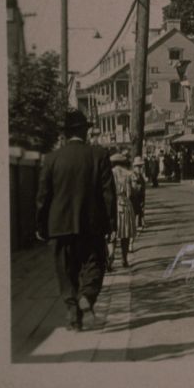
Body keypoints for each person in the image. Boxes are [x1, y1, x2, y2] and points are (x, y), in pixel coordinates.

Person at [36, 110, 116, 331]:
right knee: (95, 263)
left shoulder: (51, 159)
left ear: (65, 133)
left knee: (65, 270)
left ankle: (73, 315)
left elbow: (42, 197)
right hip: (91, 225)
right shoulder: (99, 155)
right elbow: (108, 194)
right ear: (84, 131)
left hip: (58, 226)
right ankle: (87, 296)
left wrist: (41, 226)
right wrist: (111, 224)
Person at [108, 153, 137, 269]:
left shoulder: (110, 174)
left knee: (112, 233)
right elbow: (131, 192)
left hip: (113, 205)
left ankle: (111, 256)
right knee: (125, 234)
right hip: (125, 205)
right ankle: (124, 259)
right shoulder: (129, 174)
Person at [131, 156, 147, 229]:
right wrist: (139, 186)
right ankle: (136, 224)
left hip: (141, 195)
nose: (140, 168)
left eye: (141, 166)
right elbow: (134, 186)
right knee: (136, 209)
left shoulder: (140, 175)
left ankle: (140, 223)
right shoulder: (133, 175)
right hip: (136, 195)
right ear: (135, 167)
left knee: (141, 208)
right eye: (138, 166)